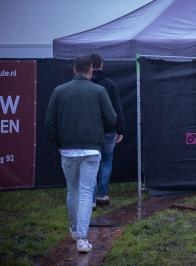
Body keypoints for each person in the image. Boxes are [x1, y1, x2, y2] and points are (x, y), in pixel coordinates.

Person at [45, 56, 116, 253]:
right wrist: (100, 133)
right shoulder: (99, 90)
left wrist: (58, 143)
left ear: (74, 70)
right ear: (91, 71)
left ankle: (76, 231)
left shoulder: (59, 91)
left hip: (67, 150)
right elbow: (111, 119)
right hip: (92, 149)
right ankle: (82, 239)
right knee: (85, 192)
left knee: (72, 190)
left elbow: (49, 122)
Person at [90, 54, 125, 207]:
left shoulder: (85, 85)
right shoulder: (110, 84)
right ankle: (102, 195)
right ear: (102, 65)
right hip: (109, 131)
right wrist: (120, 129)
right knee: (106, 161)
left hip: (90, 131)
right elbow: (117, 108)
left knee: (91, 164)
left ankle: (90, 200)